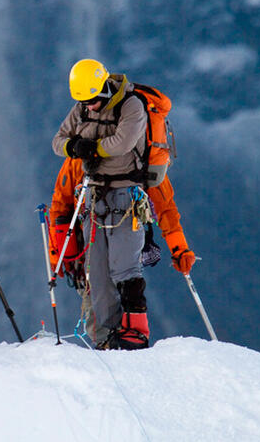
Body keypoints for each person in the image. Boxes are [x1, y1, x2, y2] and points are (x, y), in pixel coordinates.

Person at [52, 58, 159, 350]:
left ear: (103, 90)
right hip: (93, 195)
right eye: (85, 102)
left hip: (126, 193)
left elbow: (124, 143)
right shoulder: (83, 106)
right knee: (96, 271)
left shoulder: (131, 105)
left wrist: (91, 149)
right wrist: (73, 147)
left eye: (93, 101)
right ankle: (106, 337)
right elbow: (58, 140)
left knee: (124, 267)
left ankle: (135, 334)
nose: (89, 106)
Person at [47, 155, 196, 345]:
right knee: (126, 282)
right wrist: (179, 247)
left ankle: (107, 346)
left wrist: (57, 253)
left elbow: (61, 204)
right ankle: (129, 342)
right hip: (124, 235)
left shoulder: (79, 157)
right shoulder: (140, 154)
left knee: (97, 295)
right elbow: (165, 206)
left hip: (87, 247)